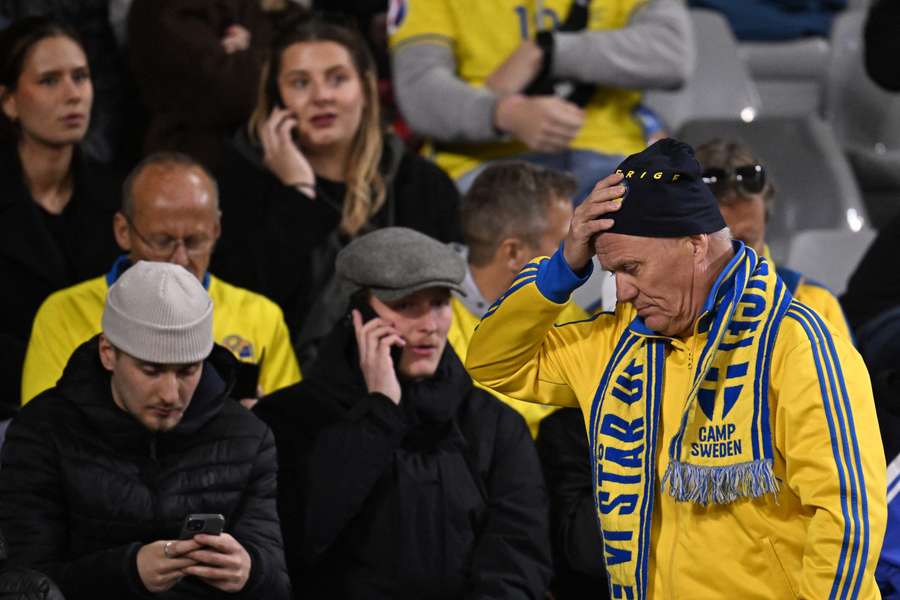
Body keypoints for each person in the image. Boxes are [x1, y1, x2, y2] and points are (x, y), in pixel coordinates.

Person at [466, 138, 887, 598]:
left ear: (694, 244)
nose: (622, 291)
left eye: (632, 268)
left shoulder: (795, 344)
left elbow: (847, 519)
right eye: (613, 273)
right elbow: (493, 363)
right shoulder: (613, 345)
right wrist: (562, 268)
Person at [253, 227, 552, 598]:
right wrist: (378, 415)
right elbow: (295, 546)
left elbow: (517, 560)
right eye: (407, 305)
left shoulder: (494, 425)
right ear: (358, 316)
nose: (429, 325)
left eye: (440, 303)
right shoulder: (289, 420)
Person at [0, 261, 292, 599]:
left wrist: (251, 570)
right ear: (109, 353)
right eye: (151, 370)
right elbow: (23, 585)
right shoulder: (43, 432)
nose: (171, 394)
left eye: (187, 371)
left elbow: (278, 585)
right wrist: (127, 570)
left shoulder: (248, 437)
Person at [212, 17, 462, 369]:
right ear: (276, 99)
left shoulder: (421, 184)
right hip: (289, 385)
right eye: (300, 83)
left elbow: (448, 308)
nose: (321, 96)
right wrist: (297, 195)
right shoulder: (243, 185)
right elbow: (248, 303)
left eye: (338, 79)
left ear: (366, 87)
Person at [21, 152, 300, 405]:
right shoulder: (63, 314)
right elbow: (42, 435)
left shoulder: (260, 317)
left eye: (194, 241)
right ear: (123, 231)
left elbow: (292, 435)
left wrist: (260, 425)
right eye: (162, 241)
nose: (179, 260)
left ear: (216, 230)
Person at [388, 0, 694, 200]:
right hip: (484, 166)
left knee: (691, 226)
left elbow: (673, 54)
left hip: (616, 157)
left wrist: (549, 51)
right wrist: (503, 113)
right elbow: (420, 90)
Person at [0, 16, 121, 418]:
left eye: (80, 77)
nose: (73, 95)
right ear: (9, 101)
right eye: (49, 81)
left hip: (105, 407)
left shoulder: (117, 196)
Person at [450, 160, 585, 437]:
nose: (578, 253)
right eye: (563, 243)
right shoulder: (428, 325)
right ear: (513, 253)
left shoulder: (572, 319)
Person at [694, 138, 852, 340]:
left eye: (745, 244)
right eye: (720, 245)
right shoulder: (657, 309)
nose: (736, 260)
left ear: (766, 215)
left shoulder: (813, 304)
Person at [127, 0, 299, 171]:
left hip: (276, 149)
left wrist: (249, 55)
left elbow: (312, 41)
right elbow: (228, 89)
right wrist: (266, 57)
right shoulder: (162, 8)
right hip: (198, 164)